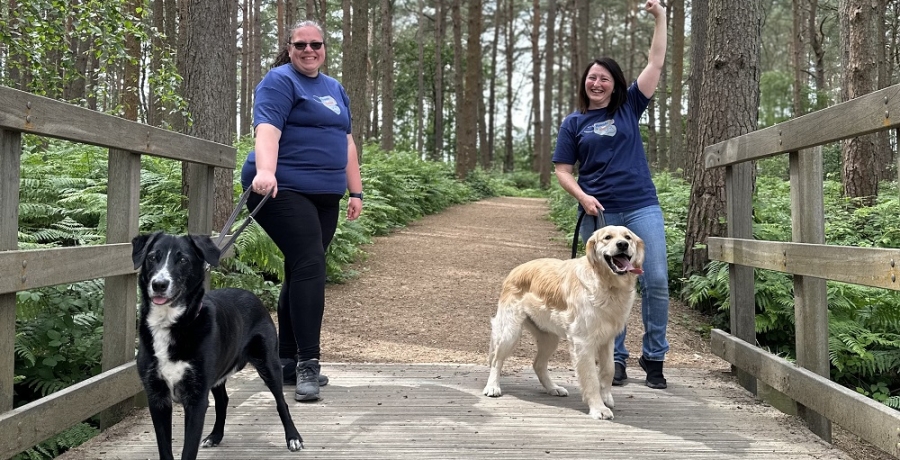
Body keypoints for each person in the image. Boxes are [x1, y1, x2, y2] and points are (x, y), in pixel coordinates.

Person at [240, 20, 363, 401]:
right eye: (301, 45)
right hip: (283, 188)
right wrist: (265, 170)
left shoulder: (334, 88)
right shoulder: (279, 81)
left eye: (316, 44)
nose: (309, 50)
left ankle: (286, 362)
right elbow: (267, 129)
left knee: (300, 268)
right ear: (289, 48)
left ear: (325, 48)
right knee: (310, 263)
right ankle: (309, 362)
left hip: (326, 194)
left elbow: (346, 142)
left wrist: (356, 190)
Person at [551, 0, 669, 389]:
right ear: (585, 82)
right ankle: (613, 360)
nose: (597, 83)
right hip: (599, 213)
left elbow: (655, 63)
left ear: (615, 83)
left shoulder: (629, 108)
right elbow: (563, 171)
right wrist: (582, 197)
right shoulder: (574, 123)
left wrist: (660, 17)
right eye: (592, 78)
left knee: (653, 278)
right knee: (603, 285)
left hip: (640, 207)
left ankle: (654, 358)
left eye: (604, 78)